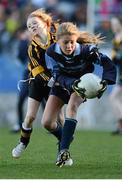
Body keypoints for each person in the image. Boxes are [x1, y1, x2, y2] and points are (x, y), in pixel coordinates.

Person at [42, 22, 116, 167]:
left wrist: (105, 82)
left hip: (81, 86)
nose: (69, 46)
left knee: (72, 107)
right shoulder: (51, 52)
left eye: (72, 42)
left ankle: (63, 151)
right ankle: (67, 136)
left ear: (76, 40)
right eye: (65, 43)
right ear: (57, 41)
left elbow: (107, 63)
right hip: (61, 85)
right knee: (47, 123)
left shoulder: (87, 50)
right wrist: (70, 83)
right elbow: (56, 75)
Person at [12, 8, 64, 158]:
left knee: (60, 117)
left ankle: (63, 147)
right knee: (30, 117)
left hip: (57, 83)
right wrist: (50, 81)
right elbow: (36, 70)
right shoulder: (32, 48)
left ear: (45, 22)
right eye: (29, 26)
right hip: (38, 82)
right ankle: (23, 142)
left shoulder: (58, 37)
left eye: (34, 23)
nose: (32, 27)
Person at [11, 25, 30, 133]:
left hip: (39, 77)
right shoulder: (23, 43)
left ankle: (51, 123)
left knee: (44, 102)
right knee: (20, 101)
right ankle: (19, 124)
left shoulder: (39, 42)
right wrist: (23, 43)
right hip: (27, 76)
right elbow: (20, 57)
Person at [109, 16, 122, 135]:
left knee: (113, 97)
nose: (113, 26)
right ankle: (120, 124)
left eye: (115, 23)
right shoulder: (115, 39)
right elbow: (114, 58)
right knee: (113, 97)